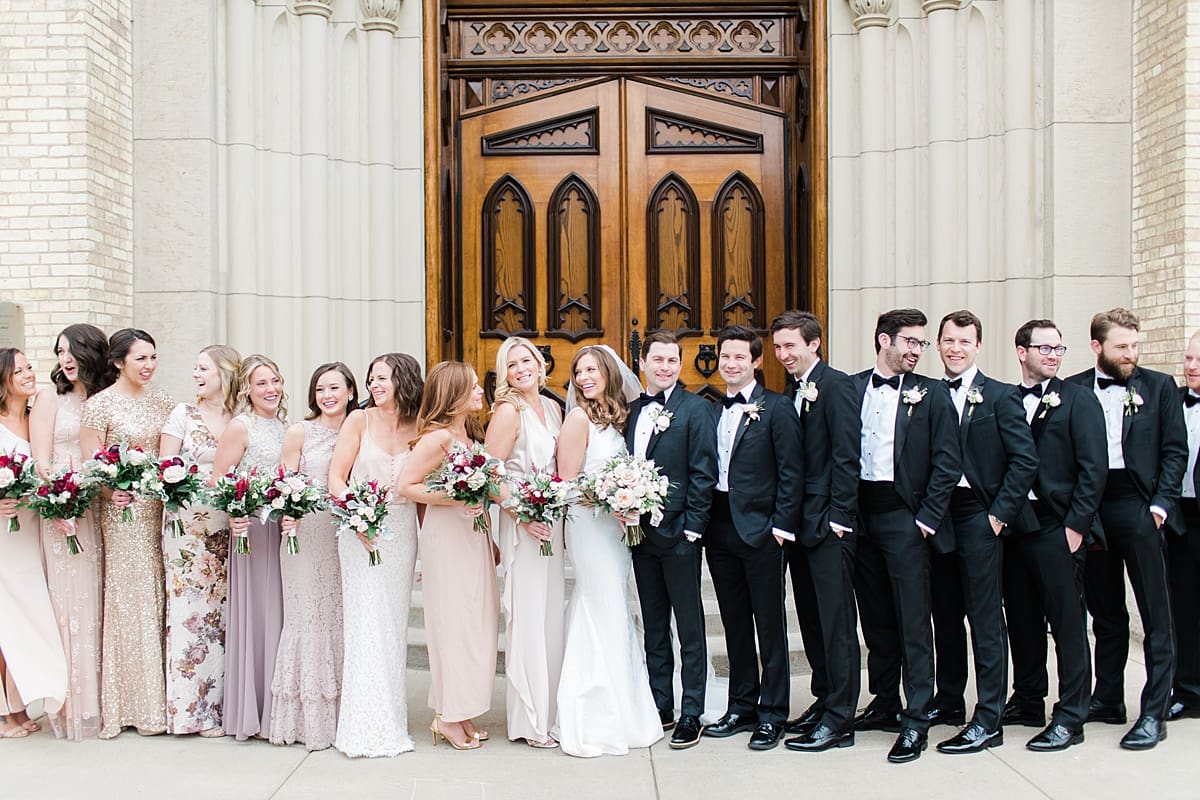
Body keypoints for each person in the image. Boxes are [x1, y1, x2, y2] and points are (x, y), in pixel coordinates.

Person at [1066, 308, 1187, 750]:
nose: (1131, 354)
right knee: (1106, 611)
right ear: (1097, 347)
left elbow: (1175, 451)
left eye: (1135, 346)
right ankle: (1108, 698)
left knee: (1156, 614)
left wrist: (1159, 507)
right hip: (1092, 510)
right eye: (1121, 347)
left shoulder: (1159, 388)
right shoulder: (1073, 389)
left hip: (1138, 506)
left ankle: (1155, 711)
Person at [850, 309, 960, 764]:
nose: (917, 351)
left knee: (914, 620)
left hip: (905, 517)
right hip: (860, 517)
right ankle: (884, 702)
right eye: (910, 343)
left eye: (922, 345)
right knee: (874, 616)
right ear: (883, 340)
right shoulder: (851, 388)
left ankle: (917, 717)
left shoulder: (933, 395)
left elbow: (947, 462)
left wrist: (925, 520)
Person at [929, 310, 1038, 754]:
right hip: (937, 515)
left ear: (978, 347)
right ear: (938, 344)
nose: (955, 349)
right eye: (948, 341)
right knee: (945, 612)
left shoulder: (1000, 396)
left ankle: (988, 716)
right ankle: (949, 699)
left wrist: (998, 515)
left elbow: (1025, 460)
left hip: (980, 512)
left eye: (964, 342)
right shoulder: (929, 394)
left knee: (985, 617)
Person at [552, 344, 663, 757]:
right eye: (579, 371)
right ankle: (598, 709)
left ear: (609, 374)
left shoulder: (619, 416)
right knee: (601, 604)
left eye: (592, 369)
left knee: (615, 603)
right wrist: (608, 497)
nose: (584, 378)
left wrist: (628, 498)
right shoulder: (578, 418)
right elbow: (564, 484)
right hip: (589, 527)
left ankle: (627, 701)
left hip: (616, 530)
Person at [1003, 319, 1105, 752]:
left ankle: (1071, 715)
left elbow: (1093, 469)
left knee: (1066, 623)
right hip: (1015, 525)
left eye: (1059, 349)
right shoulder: (1004, 400)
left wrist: (1075, 529)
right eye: (1044, 348)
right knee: (1022, 618)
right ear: (1021, 351)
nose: (1052, 355)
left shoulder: (1078, 401)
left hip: (1057, 526)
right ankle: (1028, 699)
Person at [701, 326, 803, 752]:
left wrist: (780, 529)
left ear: (757, 362)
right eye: (725, 356)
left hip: (762, 531)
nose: (731, 363)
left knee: (770, 624)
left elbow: (792, 471)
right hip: (719, 528)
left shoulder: (777, 408)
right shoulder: (708, 408)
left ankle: (773, 711)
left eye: (740, 357)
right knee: (734, 623)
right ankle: (741, 704)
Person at [770, 311, 861, 753]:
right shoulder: (793, 388)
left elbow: (847, 455)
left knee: (837, 623)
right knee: (810, 617)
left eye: (792, 346)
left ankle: (842, 718)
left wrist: (839, 519)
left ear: (814, 344)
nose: (784, 354)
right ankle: (825, 700)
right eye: (779, 347)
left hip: (828, 525)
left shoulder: (838, 385)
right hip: (800, 525)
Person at [623, 330, 717, 749]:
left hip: (679, 535)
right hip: (639, 535)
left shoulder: (696, 409)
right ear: (642, 362)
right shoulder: (630, 412)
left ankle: (691, 710)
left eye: (672, 361)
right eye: (657, 359)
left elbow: (702, 472)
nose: (665, 367)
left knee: (689, 625)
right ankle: (661, 702)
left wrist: (693, 528)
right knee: (654, 623)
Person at [398, 361, 499, 752]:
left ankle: (461, 707)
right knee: (455, 624)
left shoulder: (468, 436)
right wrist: (454, 497)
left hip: (473, 535)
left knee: (477, 621)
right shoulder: (436, 439)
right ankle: (446, 717)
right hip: (447, 538)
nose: (480, 392)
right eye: (473, 387)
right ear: (454, 395)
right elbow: (406, 485)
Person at [80, 328, 175, 738]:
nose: (149, 366)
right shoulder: (98, 407)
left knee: (160, 595)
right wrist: (109, 488)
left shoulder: (166, 402)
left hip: (160, 511)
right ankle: (131, 705)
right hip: (122, 515)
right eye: (141, 358)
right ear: (118, 362)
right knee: (130, 598)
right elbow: (91, 465)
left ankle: (165, 703)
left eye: (153, 357)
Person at [330, 353, 424, 758]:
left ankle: (391, 716)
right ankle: (364, 724)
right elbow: (336, 477)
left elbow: (420, 489)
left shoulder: (419, 425)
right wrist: (357, 518)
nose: (374, 385)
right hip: (360, 534)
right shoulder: (358, 421)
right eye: (371, 379)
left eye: (382, 378)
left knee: (391, 626)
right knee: (365, 622)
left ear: (403, 380)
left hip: (402, 535)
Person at [28, 324, 110, 740]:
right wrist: (60, 499)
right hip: (60, 512)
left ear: (91, 352)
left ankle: (101, 702)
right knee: (66, 601)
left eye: (72, 350)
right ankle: (68, 704)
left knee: (95, 600)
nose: (65, 359)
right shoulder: (49, 398)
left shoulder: (103, 400)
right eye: (59, 351)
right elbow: (40, 461)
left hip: (97, 509)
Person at [270, 362, 356, 751]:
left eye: (335, 388)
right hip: (304, 535)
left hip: (348, 536)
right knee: (309, 616)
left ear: (351, 392)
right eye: (320, 389)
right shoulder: (299, 431)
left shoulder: (362, 429)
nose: (328, 395)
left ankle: (345, 716)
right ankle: (307, 721)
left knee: (341, 616)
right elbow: (283, 482)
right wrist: (288, 508)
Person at [484, 338, 565, 749]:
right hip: (522, 526)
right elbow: (489, 473)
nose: (520, 369)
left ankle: (549, 712)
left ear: (540, 362)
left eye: (526, 360)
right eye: (511, 364)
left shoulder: (552, 407)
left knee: (550, 615)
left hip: (551, 522)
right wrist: (522, 515)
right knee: (529, 615)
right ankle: (530, 720)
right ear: (505, 374)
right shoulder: (507, 412)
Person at [157, 344, 240, 737]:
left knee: (223, 618)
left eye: (203, 368)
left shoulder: (241, 417)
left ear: (224, 372)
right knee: (191, 613)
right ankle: (190, 711)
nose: (195, 374)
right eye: (194, 368)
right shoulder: (182, 415)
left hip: (231, 527)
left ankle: (224, 708)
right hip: (188, 530)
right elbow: (165, 469)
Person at [211, 354, 287, 741]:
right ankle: (252, 710)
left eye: (274, 380)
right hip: (253, 531)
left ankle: (279, 709)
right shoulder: (241, 427)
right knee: (258, 613)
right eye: (261, 383)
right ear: (246, 389)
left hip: (284, 531)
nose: (271, 389)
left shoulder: (286, 427)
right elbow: (219, 480)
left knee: (281, 614)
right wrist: (234, 513)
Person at [0, 348, 67, 739]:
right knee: (7, 620)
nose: (28, 374)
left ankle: (22, 702)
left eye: (29, 367)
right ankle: (7, 711)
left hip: (31, 530)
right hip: (4, 536)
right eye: (18, 370)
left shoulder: (34, 419)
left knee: (28, 618)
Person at [1167, 330, 1200, 722]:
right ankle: (1187, 690)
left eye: (1198, 361)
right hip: (1179, 520)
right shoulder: (1171, 399)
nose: (1191, 366)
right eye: (1188, 359)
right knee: (1183, 608)